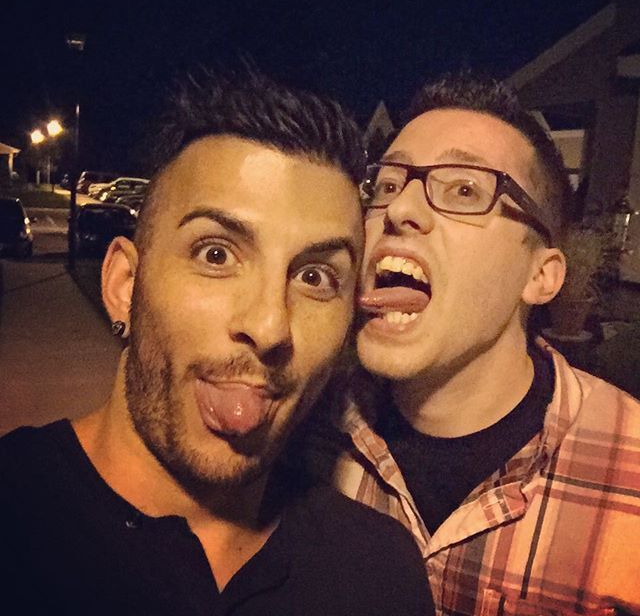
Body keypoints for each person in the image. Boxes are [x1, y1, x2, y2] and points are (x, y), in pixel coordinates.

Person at [0, 72, 434, 615]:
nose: (270, 326)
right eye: (216, 254)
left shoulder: (379, 576)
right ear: (124, 286)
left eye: (315, 277)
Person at [303, 73, 640, 615]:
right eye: (385, 185)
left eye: (464, 190)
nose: (399, 210)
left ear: (541, 276)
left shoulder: (630, 472)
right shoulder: (305, 428)